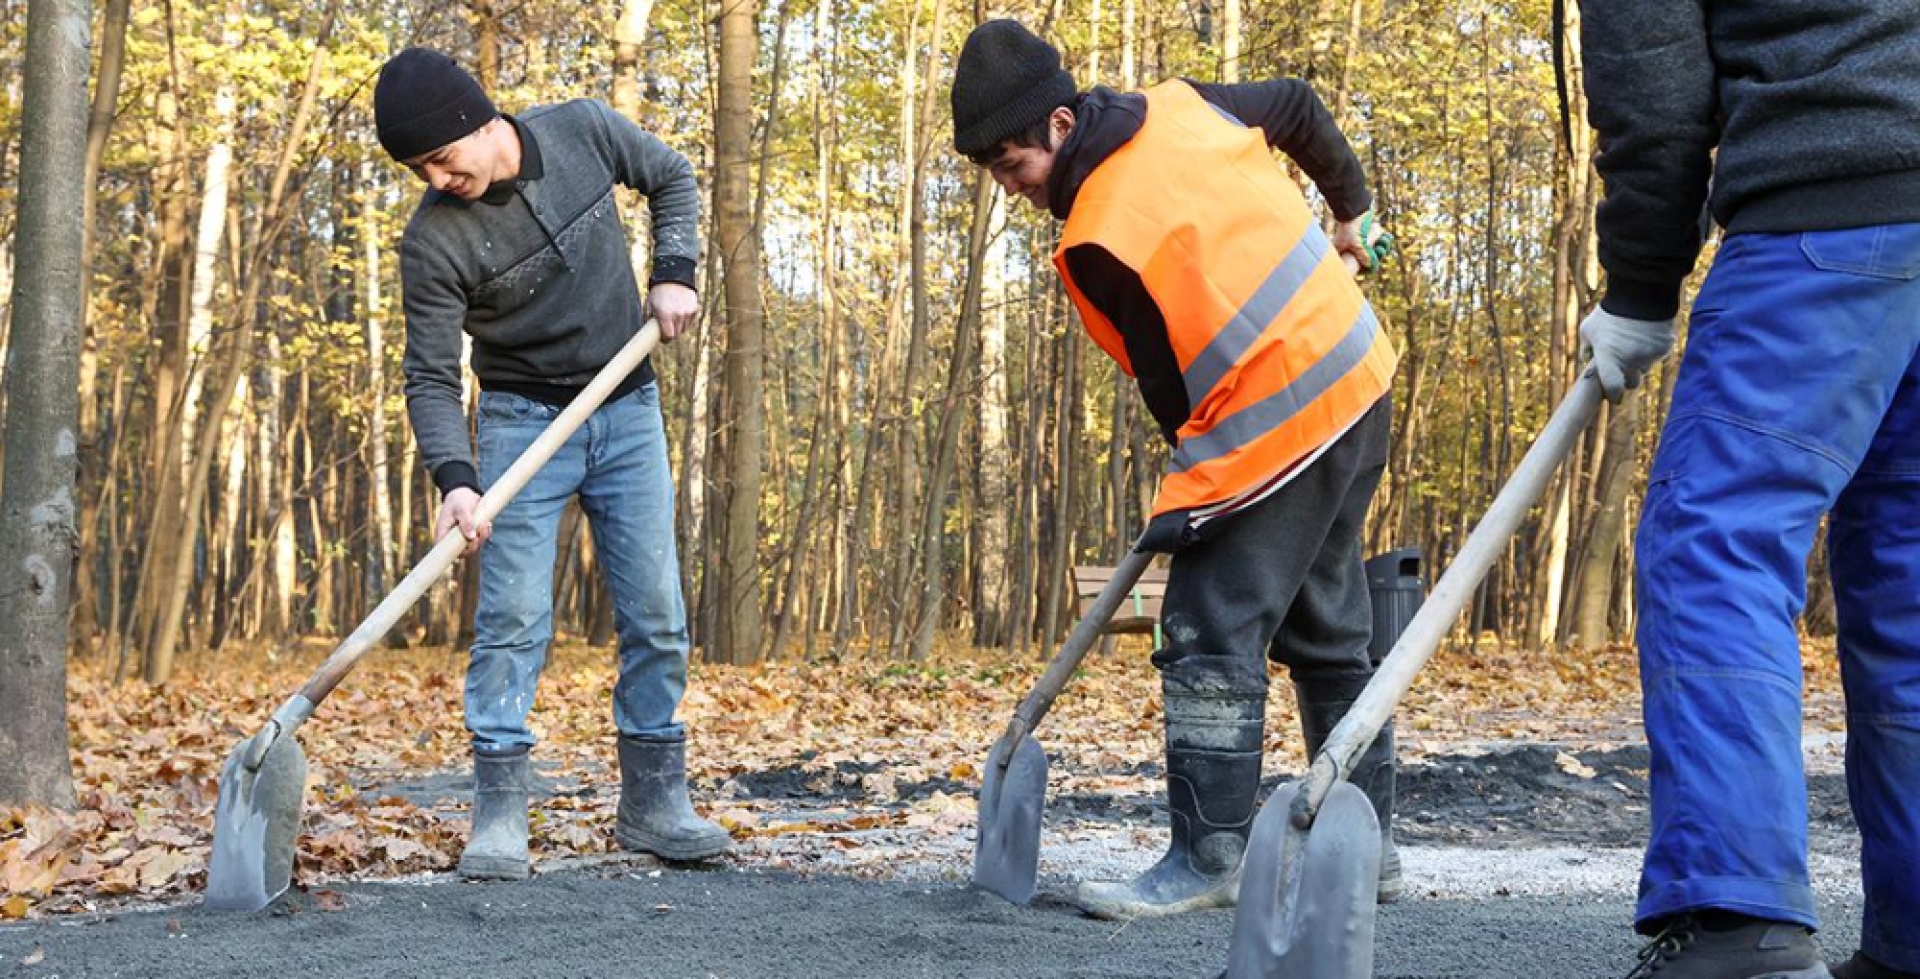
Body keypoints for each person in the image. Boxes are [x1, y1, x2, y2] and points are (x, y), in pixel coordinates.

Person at [949, 20, 1401, 918]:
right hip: (1359, 371)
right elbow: (1300, 109)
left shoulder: (1103, 235)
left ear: (1061, 127)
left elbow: (1173, 387)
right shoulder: (1183, 105)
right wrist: (1351, 211)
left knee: (1204, 619)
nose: (1012, 187)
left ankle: (1207, 860)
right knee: (1325, 625)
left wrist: (1188, 507)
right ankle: (1368, 854)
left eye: (1014, 165)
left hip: (1285, 412)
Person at [1579, 3, 1920, 976]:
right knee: (1911, 593)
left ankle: (1738, 924)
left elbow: (1652, 76)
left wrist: (1640, 283)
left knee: (1713, 541)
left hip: (1826, 217)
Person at [373, 47, 729, 880]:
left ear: (478, 121)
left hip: (628, 409)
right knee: (513, 621)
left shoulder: (583, 132)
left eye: (440, 155)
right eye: (418, 166)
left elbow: (673, 177)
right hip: (518, 425)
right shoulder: (432, 243)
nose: (435, 176)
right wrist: (456, 480)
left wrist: (674, 271)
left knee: (656, 612)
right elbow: (428, 374)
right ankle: (498, 814)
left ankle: (653, 801)